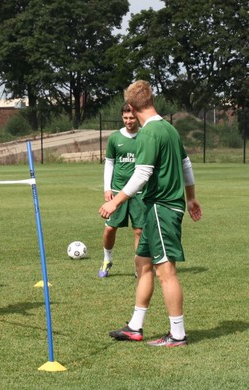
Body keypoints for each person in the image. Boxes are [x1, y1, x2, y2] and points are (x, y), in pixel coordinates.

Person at [99, 80, 202, 347]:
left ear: (132, 106)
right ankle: (135, 326)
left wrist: (116, 201)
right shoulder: (169, 128)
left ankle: (177, 334)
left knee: (165, 272)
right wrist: (191, 198)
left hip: (162, 208)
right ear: (152, 100)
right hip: (155, 208)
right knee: (142, 264)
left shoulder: (148, 133)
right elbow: (186, 164)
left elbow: (142, 173)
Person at [98, 104, 144, 278]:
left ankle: (138, 266)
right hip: (117, 191)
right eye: (125, 118)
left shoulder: (145, 137)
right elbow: (109, 162)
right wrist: (107, 188)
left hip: (139, 192)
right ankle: (106, 260)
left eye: (131, 118)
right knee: (110, 228)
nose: (128, 121)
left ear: (137, 117)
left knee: (139, 231)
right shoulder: (115, 138)